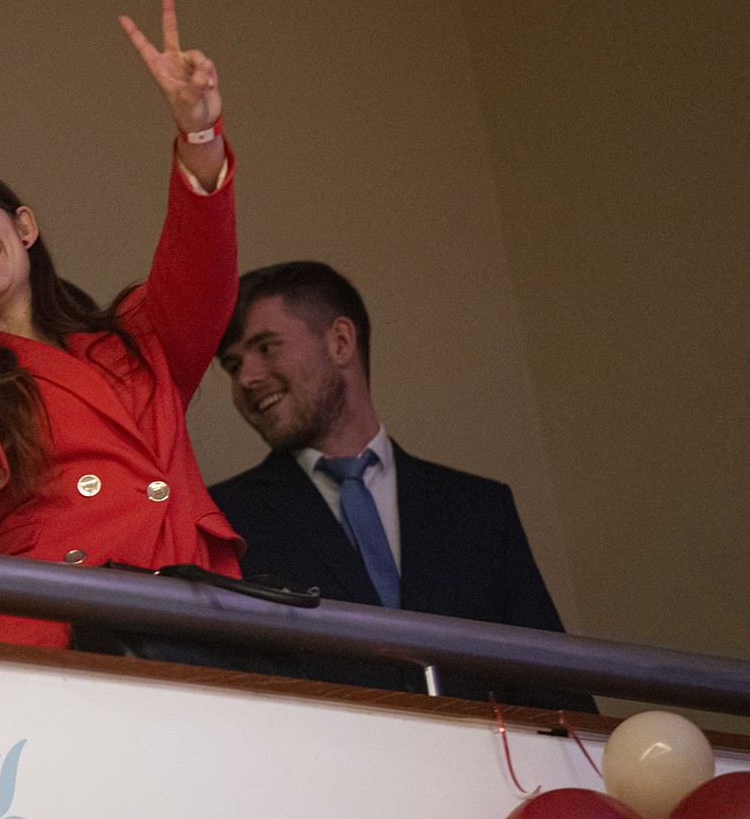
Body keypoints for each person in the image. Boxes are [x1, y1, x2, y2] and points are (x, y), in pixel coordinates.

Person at [0, 0, 244, 649]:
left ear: (23, 226)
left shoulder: (137, 337)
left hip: (191, 616)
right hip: (48, 627)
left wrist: (199, 132)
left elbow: (203, 266)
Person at [209, 260, 595, 710]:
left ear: (340, 342)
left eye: (265, 347)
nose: (246, 379)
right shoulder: (224, 520)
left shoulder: (479, 509)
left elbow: (557, 694)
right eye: (232, 366)